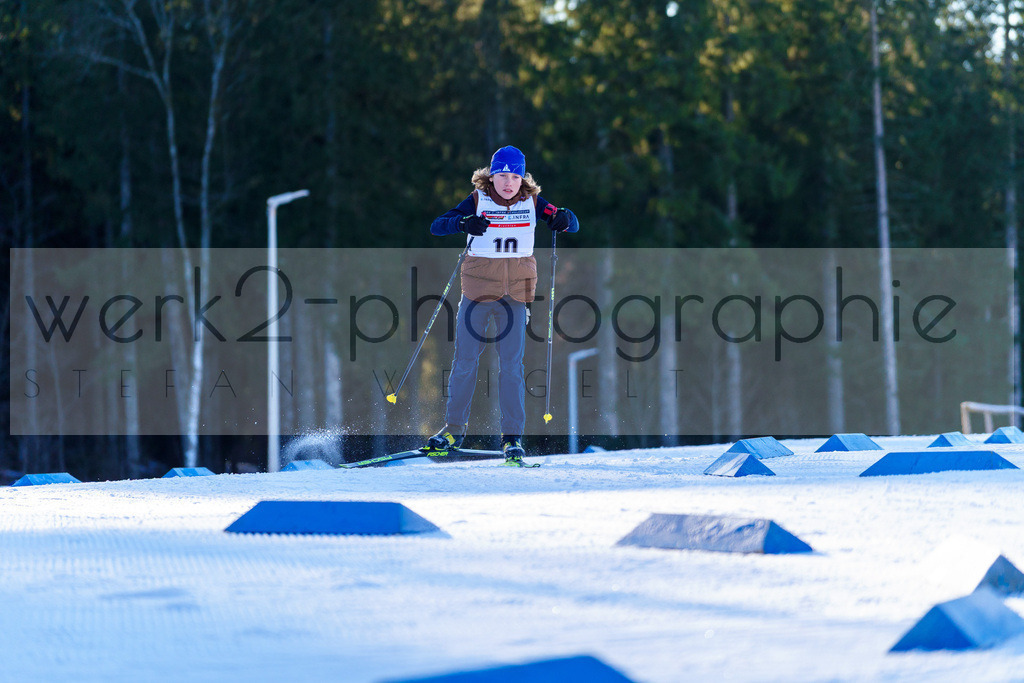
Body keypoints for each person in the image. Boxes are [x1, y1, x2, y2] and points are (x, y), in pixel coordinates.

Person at [425, 146, 579, 467]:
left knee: (511, 366)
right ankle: (453, 430)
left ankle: (512, 438)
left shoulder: (533, 202)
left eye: (514, 176)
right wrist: (464, 223)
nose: (508, 183)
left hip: (516, 294)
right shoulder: (477, 200)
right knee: (465, 361)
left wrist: (564, 218)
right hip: (478, 292)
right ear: (491, 176)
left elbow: (570, 222)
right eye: (502, 175)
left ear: (522, 177)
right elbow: (439, 224)